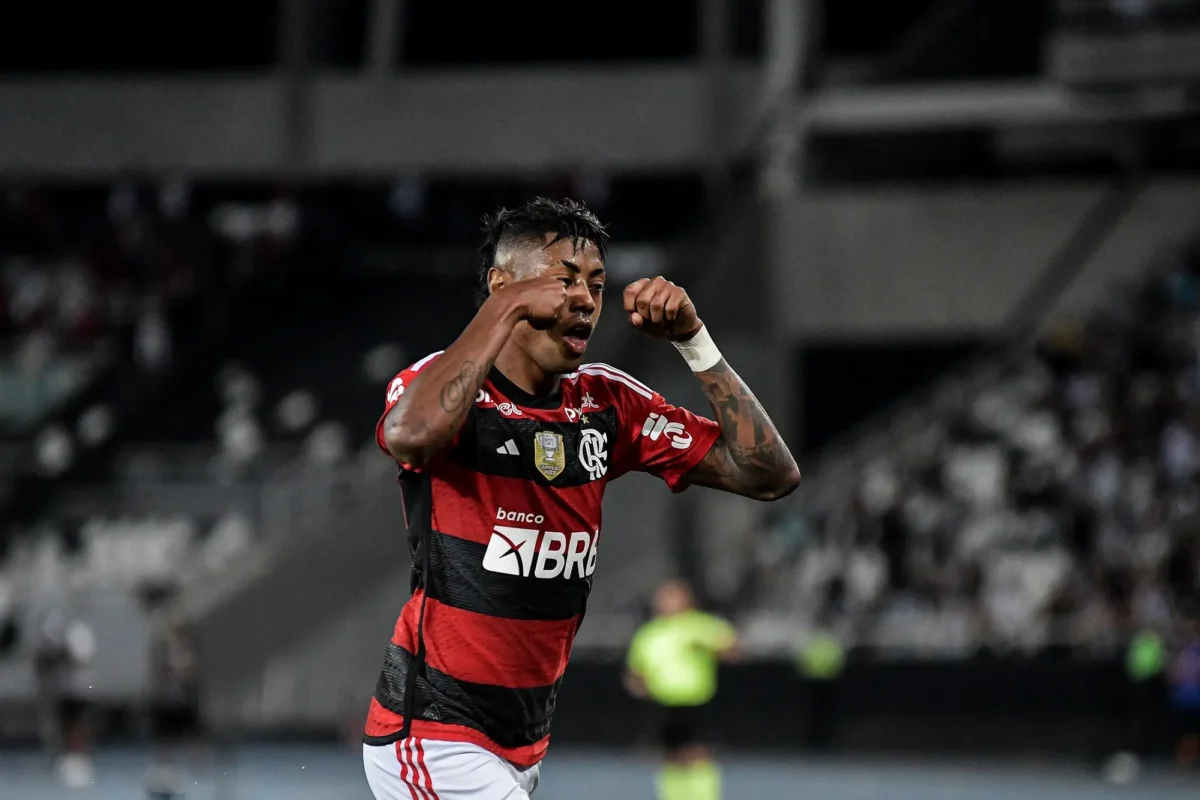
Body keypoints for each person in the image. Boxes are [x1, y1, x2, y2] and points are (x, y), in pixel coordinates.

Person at [363, 197, 800, 800]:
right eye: (562, 280)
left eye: (595, 283)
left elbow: (770, 474)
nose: (585, 300)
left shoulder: (606, 404)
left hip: (520, 743)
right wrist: (511, 304)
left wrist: (695, 342)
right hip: (433, 732)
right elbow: (409, 437)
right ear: (501, 285)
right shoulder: (441, 386)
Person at [624, 580, 738, 800]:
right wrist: (639, 686)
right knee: (669, 756)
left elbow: (732, 650)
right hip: (664, 702)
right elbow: (636, 672)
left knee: (698, 753)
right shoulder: (649, 634)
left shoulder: (701, 626)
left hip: (696, 700)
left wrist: (710, 647)